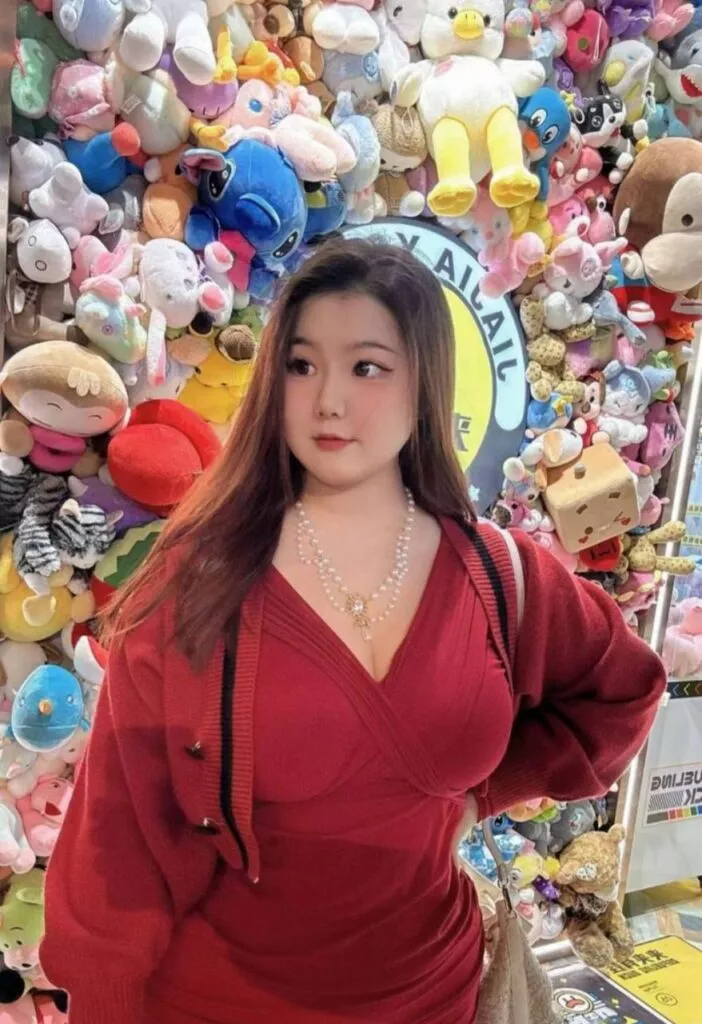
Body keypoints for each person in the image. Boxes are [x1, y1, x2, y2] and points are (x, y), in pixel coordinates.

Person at [42, 239, 666, 1024]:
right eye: (302, 366)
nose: (328, 401)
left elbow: (623, 692)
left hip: (434, 996)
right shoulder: (199, 581)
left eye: (367, 367)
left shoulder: (498, 574)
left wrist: (484, 794)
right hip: (222, 1002)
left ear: (423, 381)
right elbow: (118, 838)